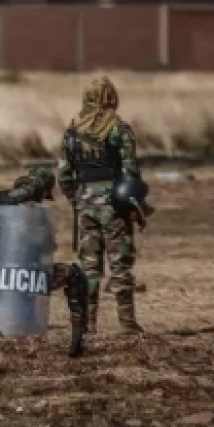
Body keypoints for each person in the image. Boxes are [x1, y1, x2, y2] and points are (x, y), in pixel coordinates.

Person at [56, 76, 147, 333]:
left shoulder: (72, 131)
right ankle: (127, 322)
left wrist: (78, 200)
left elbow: (63, 174)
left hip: (84, 204)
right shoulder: (119, 129)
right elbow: (131, 172)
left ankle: (88, 324)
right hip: (115, 204)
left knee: (89, 267)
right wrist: (134, 206)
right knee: (120, 264)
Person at [0, 165, 90, 351]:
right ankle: (79, 331)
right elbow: (47, 246)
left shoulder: (0, 209)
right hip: (23, 274)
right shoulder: (28, 212)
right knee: (76, 275)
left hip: (1, 274)